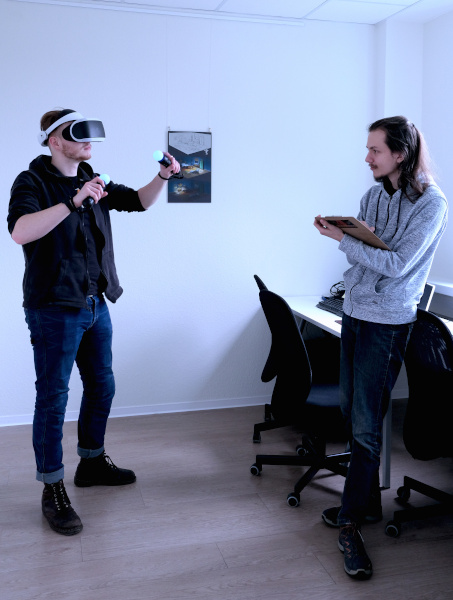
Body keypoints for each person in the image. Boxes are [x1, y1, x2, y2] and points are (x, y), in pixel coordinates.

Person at [8, 108, 180, 536]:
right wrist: (72, 202)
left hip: (94, 302)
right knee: (53, 398)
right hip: (53, 307)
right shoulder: (31, 181)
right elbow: (20, 231)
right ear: (54, 141)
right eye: (77, 135)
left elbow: (138, 201)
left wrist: (162, 176)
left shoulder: (92, 178)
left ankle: (91, 461)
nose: (88, 142)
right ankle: (52, 488)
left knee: (103, 385)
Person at [313, 116, 448, 579]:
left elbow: (396, 265)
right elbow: (370, 254)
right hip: (354, 311)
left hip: (387, 322)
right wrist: (349, 236)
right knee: (351, 412)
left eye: (375, 150)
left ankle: (350, 522)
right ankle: (367, 503)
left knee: (367, 426)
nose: (367, 158)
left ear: (400, 154)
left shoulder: (432, 204)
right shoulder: (373, 196)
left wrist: (342, 239)